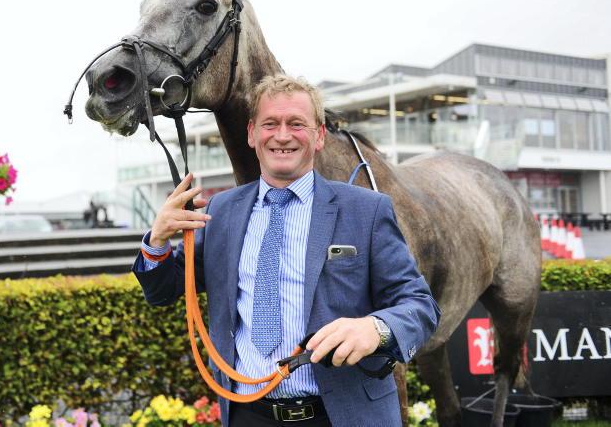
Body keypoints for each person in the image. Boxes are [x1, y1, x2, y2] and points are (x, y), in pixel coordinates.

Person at [133, 74, 440, 426]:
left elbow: (420, 306)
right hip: (248, 415)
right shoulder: (221, 211)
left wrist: (375, 329)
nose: (282, 136)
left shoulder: (366, 210)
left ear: (319, 136)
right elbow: (165, 290)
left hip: (342, 416)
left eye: (296, 124)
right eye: (270, 124)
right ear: (252, 134)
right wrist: (157, 240)